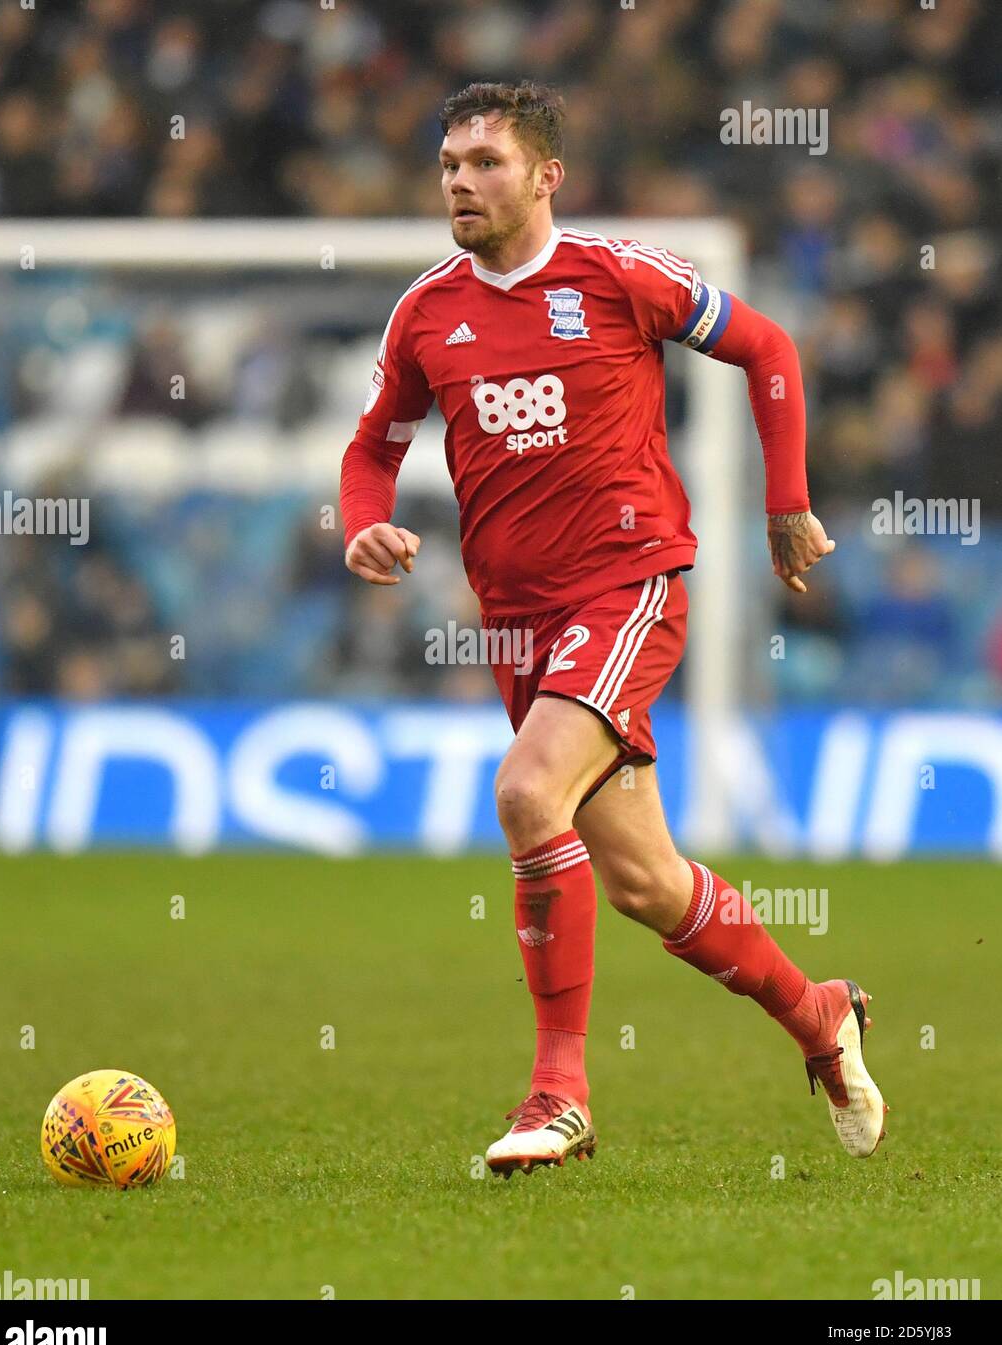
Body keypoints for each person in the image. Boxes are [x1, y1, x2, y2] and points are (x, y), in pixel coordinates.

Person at [340, 80, 886, 1176]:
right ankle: (818, 1011)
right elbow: (373, 448)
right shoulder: (426, 312)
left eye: (485, 162)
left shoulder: (616, 274)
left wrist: (786, 500)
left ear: (547, 176)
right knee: (644, 879)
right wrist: (365, 524)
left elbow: (769, 350)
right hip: (517, 622)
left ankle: (561, 1093)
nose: (459, 179)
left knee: (526, 794)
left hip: (630, 584)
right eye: (449, 161)